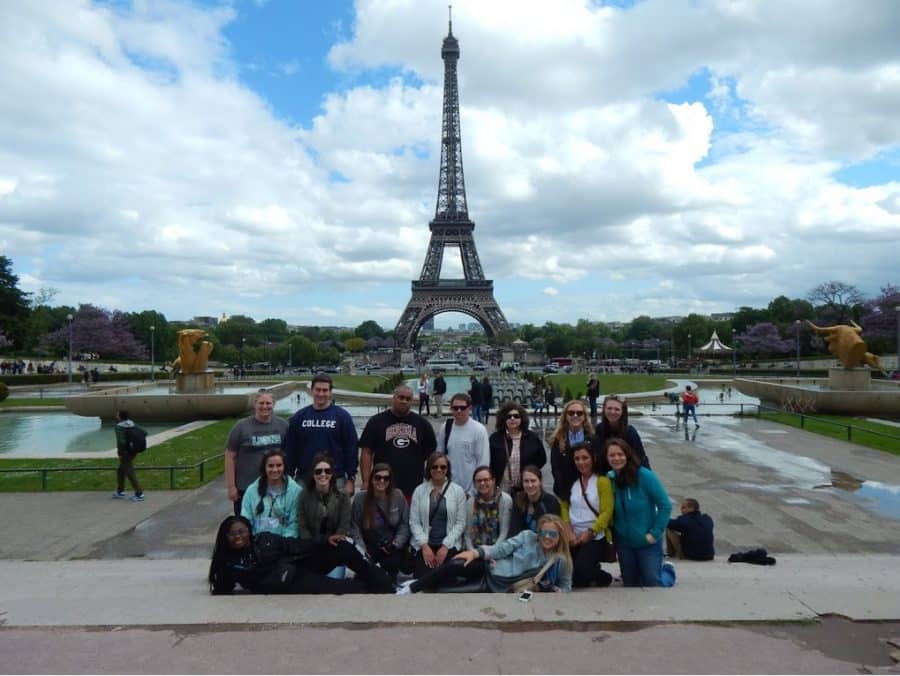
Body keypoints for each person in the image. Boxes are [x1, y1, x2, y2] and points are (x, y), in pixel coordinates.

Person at [296, 453, 393, 593]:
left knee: (349, 559)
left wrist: (334, 539)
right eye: (318, 471)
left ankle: (384, 583)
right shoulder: (304, 496)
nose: (323, 474)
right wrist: (319, 542)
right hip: (311, 548)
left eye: (327, 471)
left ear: (332, 474)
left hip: (335, 547)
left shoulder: (342, 496)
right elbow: (302, 527)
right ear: (313, 474)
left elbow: (344, 526)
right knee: (326, 586)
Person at [208, 515, 366, 595]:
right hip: (282, 586)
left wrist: (324, 540)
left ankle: (376, 580)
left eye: (241, 531)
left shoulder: (264, 539)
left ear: (249, 531)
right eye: (232, 533)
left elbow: (294, 545)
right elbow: (222, 587)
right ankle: (368, 585)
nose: (237, 536)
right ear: (225, 536)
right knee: (339, 587)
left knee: (341, 549)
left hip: (293, 573)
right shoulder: (228, 563)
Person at [605, 438, 675, 587]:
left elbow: (665, 506)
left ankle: (668, 571)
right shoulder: (609, 479)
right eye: (612, 455)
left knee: (652, 582)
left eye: (620, 454)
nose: (616, 458)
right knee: (631, 584)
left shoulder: (644, 476)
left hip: (647, 542)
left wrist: (654, 534)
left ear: (628, 455)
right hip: (624, 544)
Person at [358, 384, 437, 501]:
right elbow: (366, 452)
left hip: (413, 486)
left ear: (412, 401)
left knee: (410, 519)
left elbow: (431, 454)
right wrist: (365, 482)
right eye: (401, 397)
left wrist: (431, 481)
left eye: (408, 399)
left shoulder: (422, 424)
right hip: (382, 484)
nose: (404, 401)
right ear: (393, 398)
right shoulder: (376, 421)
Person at [285, 373, 358, 494]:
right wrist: (288, 477)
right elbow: (290, 449)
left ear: (330, 392)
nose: (321, 394)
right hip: (305, 478)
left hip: (335, 478)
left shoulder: (342, 417)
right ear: (312, 390)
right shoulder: (299, 417)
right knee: (303, 513)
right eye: (318, 390)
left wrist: (351, 478)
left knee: (334, 513)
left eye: (325, 390)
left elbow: (351, 448)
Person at [224, 389, 289, 515]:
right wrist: (231, 486)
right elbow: (230, 456)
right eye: (261, 403)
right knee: (245, 525)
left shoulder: (283, 426)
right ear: (255, 404)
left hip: (274, 487)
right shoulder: (241, 427)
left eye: (268, 403)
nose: (265, 407)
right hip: (246, 487)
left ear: (274, 404)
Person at [408, 452, 468, 580]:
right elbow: (414, 522)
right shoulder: (419, 490)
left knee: (445, 579)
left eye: (443, 467)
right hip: (425, 544)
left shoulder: (458, 491)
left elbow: (460, 523)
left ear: (448, 469)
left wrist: (445, 546)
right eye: (434, 467)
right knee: (423, 579)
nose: (438, 470)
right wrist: (424, 546)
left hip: (449, 544)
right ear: (429, 469)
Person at [350, 463, 411, 581]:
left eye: (386, 478)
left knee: (391, 566)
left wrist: (396, 544)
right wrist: (362, 549)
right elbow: (354, 527)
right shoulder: (360, 499)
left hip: (391, 546)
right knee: (364, 576)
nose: (382, 481)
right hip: (369, 546)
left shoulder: (398, 495)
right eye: (378, 477)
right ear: (372, 479)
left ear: (390, 481)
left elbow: (405, 524)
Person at [565, 444, 614, 588]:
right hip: (573, 536)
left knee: (579, 577)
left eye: (585, 458)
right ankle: (591, 569)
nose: (581, 462)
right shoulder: (571, 481)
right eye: (577, 459)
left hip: (594, 536)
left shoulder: (602, 481)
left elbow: (607, 511)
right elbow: (563, 505)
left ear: (593, 459)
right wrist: (568, 530)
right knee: (565, 572)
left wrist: (591, 531)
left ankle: (603, 577)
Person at [240, 449, 302, 538]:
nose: (275, 469)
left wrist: (282, 544)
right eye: (270, 466)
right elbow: (245, 520)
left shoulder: (296, 491)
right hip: (257, 543)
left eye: (279, 465)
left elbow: (294, 524)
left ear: (284, 466)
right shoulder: (251, 491)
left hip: (284, 545)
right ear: (264, 467)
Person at [437, 393, 490, 496]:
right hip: (448, 489)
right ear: (451, 409)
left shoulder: (479, 430)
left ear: (469, 408)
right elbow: (439, 456)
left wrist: (473, 491)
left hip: (470, 491)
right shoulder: (446, 427)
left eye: (462, 408)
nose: (459, 411)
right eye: (455, 408)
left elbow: (483, 462)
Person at [488, 401, 546, 496]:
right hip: (502, 488)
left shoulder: (532, 437)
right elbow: (491, 462)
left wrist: (529, 473)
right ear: (503, 419)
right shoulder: (495, 438)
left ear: (522, 418)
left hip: (526, 487)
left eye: (516, 416)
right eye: (508, 416)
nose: (512, 419)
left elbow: (542, 459)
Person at [549, 400, 597, 505]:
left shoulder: (592, 438)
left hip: (590, 491)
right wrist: (565, 492)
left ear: (584, 416)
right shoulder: (558, 439)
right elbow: (555, 467)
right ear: (566, 416)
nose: (575, 415)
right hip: (565, 492)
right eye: (571, 413)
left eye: (579, 413)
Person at [596, 395, 650, 469]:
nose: (612, 412)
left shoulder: (630, 433)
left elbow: (641, 458)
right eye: (609, 408)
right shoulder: (599, 429)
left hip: (627, 474)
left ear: (622, 412)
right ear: (604, 410)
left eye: (617, 409)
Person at [464, 466, 512, 550]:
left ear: (493, 481)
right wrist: (472, 552)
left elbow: (504, 532)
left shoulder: (505, 500)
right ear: (474, 484)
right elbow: (467, 534)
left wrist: (490, 553)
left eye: (486, 480)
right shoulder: (470, 502)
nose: (482, 483)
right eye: (479, 481)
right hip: (475, 551)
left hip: (498, 550)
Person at [509, 465, 562, 537]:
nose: (530, 485)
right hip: (522, 543)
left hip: (545, 542)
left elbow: (554, 532)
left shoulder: (551, 502)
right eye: (526, 481)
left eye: (533, 481)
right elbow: (514, 530)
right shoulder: (518, 500)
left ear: (540, 481)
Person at [112, 410, 146, 502]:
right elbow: (144, 432)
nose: (116, 415)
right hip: (133, 451)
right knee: (120, 471)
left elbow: (121, 442)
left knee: (130, 473)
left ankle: (139, 494)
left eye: (117, 414)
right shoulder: (131, 423)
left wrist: (120, 453)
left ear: (120, 417)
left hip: (125, 453)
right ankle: (120, 491)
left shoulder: (119, 427)